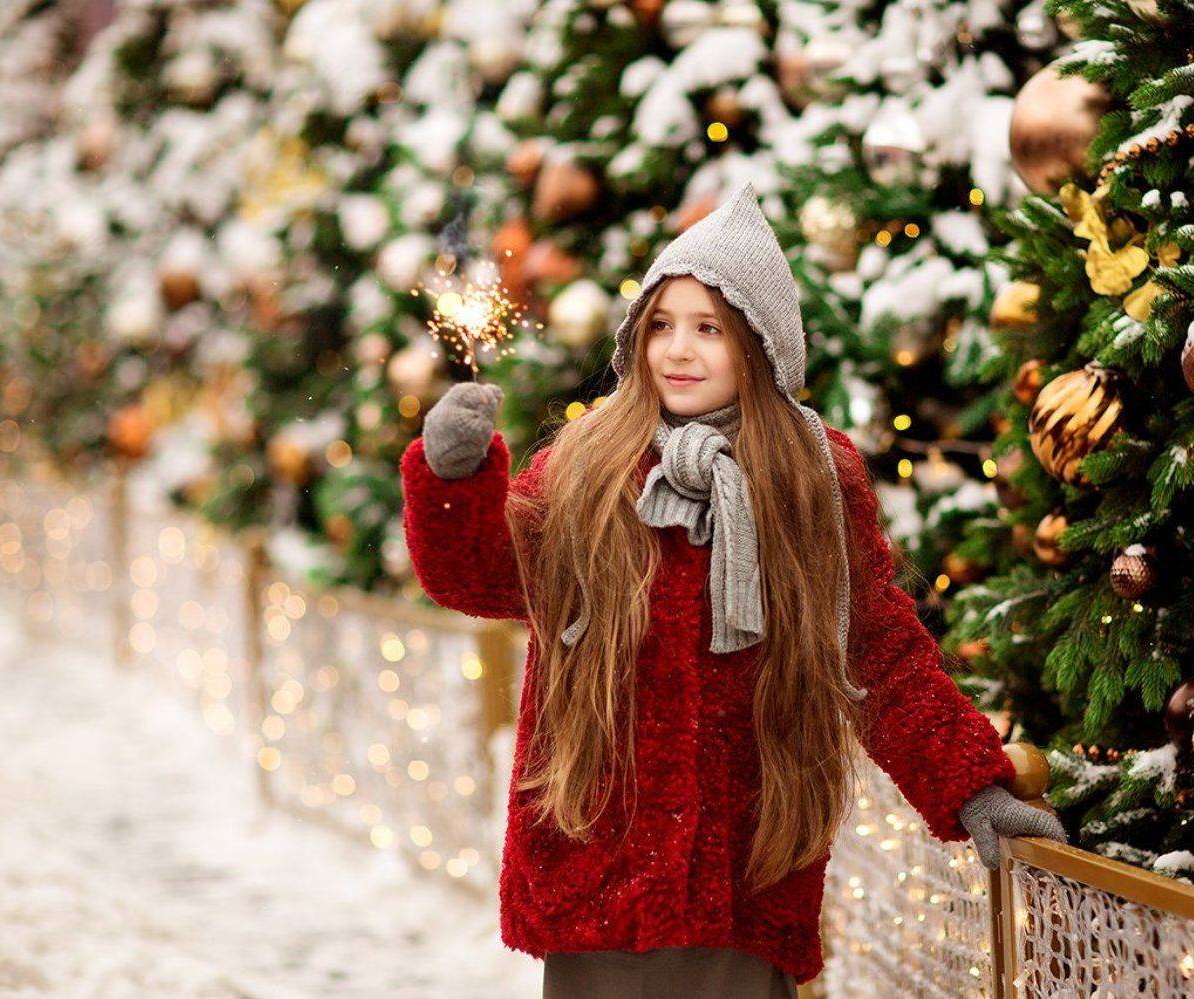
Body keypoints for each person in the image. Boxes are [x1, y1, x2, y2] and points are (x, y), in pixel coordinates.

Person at [400, 181, 1065, 997]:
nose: (678, 350)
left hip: (743, 863)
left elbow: (876, 649)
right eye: (661, 325)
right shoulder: (587, 463)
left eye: (708, 328)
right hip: (596, 853)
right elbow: (482, 575)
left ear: (759, 343)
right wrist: (454, 479)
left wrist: (969, 783)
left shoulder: (808, 474)